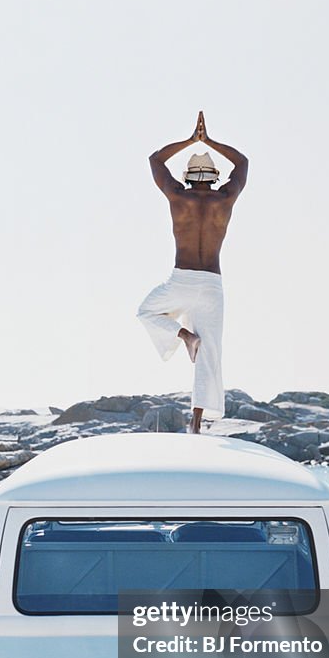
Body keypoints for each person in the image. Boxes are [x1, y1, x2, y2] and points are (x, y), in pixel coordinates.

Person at [137, 111, 248, 433]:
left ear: (187, 176)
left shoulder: (178, 196)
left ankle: (184, 335)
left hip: (182, 279)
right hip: (212, 283)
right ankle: (196, 423)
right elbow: (242, 163)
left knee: (146, 312)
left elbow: (155, 160)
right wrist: (210, 140)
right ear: (214, 177)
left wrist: (190, 140)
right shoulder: (225, 198)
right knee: (210, 353)